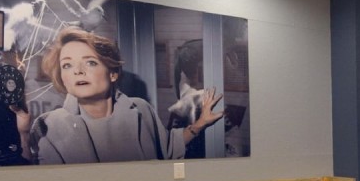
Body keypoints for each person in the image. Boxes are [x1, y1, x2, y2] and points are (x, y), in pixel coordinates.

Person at [27, 27, 223, 164]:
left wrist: (200, 123)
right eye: (67, 65)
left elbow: (168, 146)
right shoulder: (49, 125)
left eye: (90, 62)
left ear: (112, 73)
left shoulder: (141, 109)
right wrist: (21, 132)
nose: (77, 71)